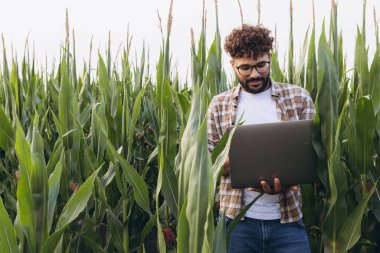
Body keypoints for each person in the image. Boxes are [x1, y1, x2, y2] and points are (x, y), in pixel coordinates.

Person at [207, 24, 315, 253]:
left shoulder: (298, 97)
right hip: (235, 225)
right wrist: (242, 169)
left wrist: (286, 180)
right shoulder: (219, 105)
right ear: (232, 65)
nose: (254, 74)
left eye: (260, 65)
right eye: (245, 68)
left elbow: (314, 156)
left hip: (288, 222)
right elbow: (207, 164)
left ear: (270, 58)